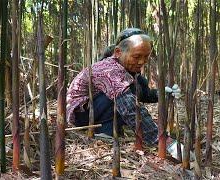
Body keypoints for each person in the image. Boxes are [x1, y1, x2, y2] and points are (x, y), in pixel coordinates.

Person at [66, 28, 184, 158]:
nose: (141, 62)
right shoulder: (108, 70)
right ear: (118, 52)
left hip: (98, 112)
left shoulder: (128, 69)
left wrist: (162, 94)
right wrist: (165, 142)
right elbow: (130, 107)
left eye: (146, 57)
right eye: (137, 56)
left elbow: (143, 94)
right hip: (81, 116)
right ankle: (103, 133)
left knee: (128, 91)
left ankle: (106, 132)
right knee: (123, 97)